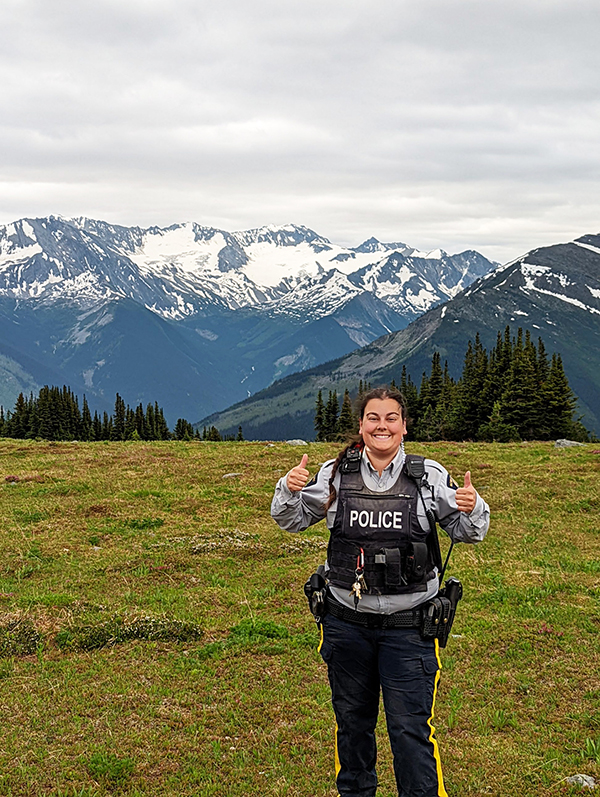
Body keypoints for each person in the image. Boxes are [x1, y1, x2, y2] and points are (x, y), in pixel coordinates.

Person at [271, 386, 489, 797]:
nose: (382, 425)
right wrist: (289, 487)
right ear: (361, 425)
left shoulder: (428, 477)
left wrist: (471, 506)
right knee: (352, 725)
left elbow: (468, 532)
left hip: (411, 629)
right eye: (373, 417)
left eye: (391, 418)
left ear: (404, 427)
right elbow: (292, 521)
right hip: (346, 625)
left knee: (409, 732)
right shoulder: (336, 473)